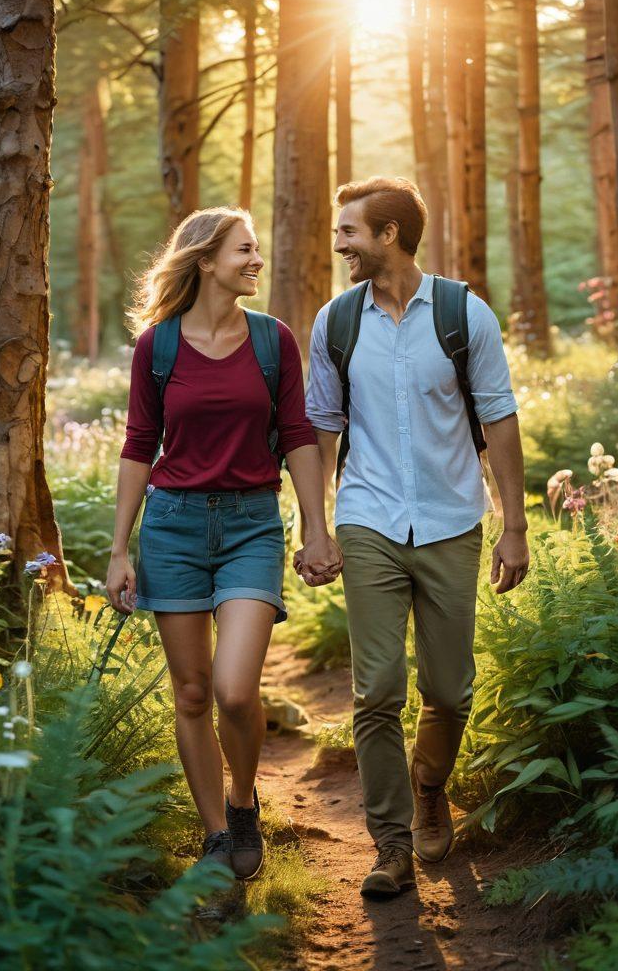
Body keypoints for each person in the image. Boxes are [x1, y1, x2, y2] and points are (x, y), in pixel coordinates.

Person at [301, 177, 530, 899]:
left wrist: (514, 526)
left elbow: (498, 421)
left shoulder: (465, 316)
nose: (340, 244)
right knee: (376, 692)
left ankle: (430, 785)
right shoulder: (336, 322)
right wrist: (316, 528)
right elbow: (321, 429)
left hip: (451, 520)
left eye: (349, 233)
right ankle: (390, 846)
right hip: (367, 519)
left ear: (390, 234)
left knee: (450, 691)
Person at [107, 207, 342, 880]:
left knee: (236, 692)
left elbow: (297, 434)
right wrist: (120, 550)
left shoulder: (274, 342)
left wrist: (314, 526)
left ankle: (244, 800)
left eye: (257, 250)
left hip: (250, 525)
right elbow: (137, 446)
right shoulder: (159, 346)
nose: (256, 261)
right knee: (191, 693)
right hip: (173, 527)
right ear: (205, 260)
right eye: (244, 251)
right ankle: (216, 834)